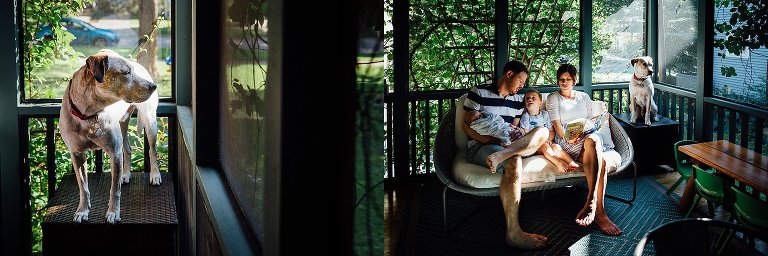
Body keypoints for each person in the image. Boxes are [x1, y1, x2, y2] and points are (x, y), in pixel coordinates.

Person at [462, 60, 551, 249]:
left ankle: (501, 156)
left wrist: (518, 135)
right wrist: (492, 142)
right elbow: (466, 125)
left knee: (542, 131)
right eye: (520, 80)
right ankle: (513, 233)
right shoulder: (479, 92)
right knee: (514, 161)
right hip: (482, 146)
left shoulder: (518, 101)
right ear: (509, 74)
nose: (522, 86)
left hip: (507, 146)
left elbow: (514, 129)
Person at [545, 63, 622, 236]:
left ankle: (593, 203)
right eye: (561, 79)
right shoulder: (553, 98)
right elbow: (556, 126)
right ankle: (598, 210)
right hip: (566, 141)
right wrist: (569, 137)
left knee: (594, 140)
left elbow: (590, 120)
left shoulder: (584, 97)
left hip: (585, 138)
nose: (564, 82)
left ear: (574, 80)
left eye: (568, 79)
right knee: (599, 158)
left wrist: (587, 129)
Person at [518, 89, 579, 173]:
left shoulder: (545, 114)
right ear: (525, 103)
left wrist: (549, 139)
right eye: (527, 98)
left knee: (556, 147)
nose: (530, 99)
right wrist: (541, 142)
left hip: (546, 141)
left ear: (540, 102)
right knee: (545, 147)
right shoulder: (526, 117)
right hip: (533, 145)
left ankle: (571, 162)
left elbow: (551, 131)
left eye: (533, 98)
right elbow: (526, 134)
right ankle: (559, 163)